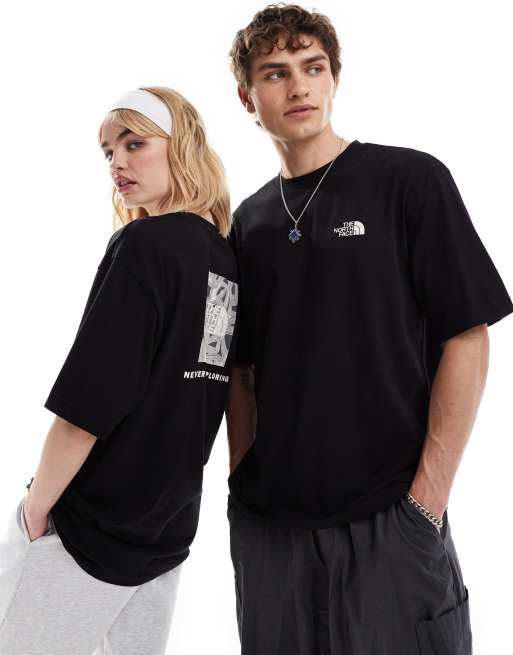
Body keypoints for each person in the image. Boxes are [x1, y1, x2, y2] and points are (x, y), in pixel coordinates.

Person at [225, 4, 513, 654]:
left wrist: (428, 497)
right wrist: (243, 481)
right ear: (247, 97)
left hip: (391, 518)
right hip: (272, 532)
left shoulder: (407, 181)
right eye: (275, 73)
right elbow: (240, 373)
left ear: (335, 78)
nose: (298, 87)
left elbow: (466, 336)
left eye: (312, 67)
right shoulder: (249, 223)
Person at [0, 86, 239, 655]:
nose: (117, 163)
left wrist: (35, 510)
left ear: (181, 145)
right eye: (108, 151)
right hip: (165, 531)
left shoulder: (145, 245)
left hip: (90, 529)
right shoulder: (225, 260)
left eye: (135, 144)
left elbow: (87, 406)